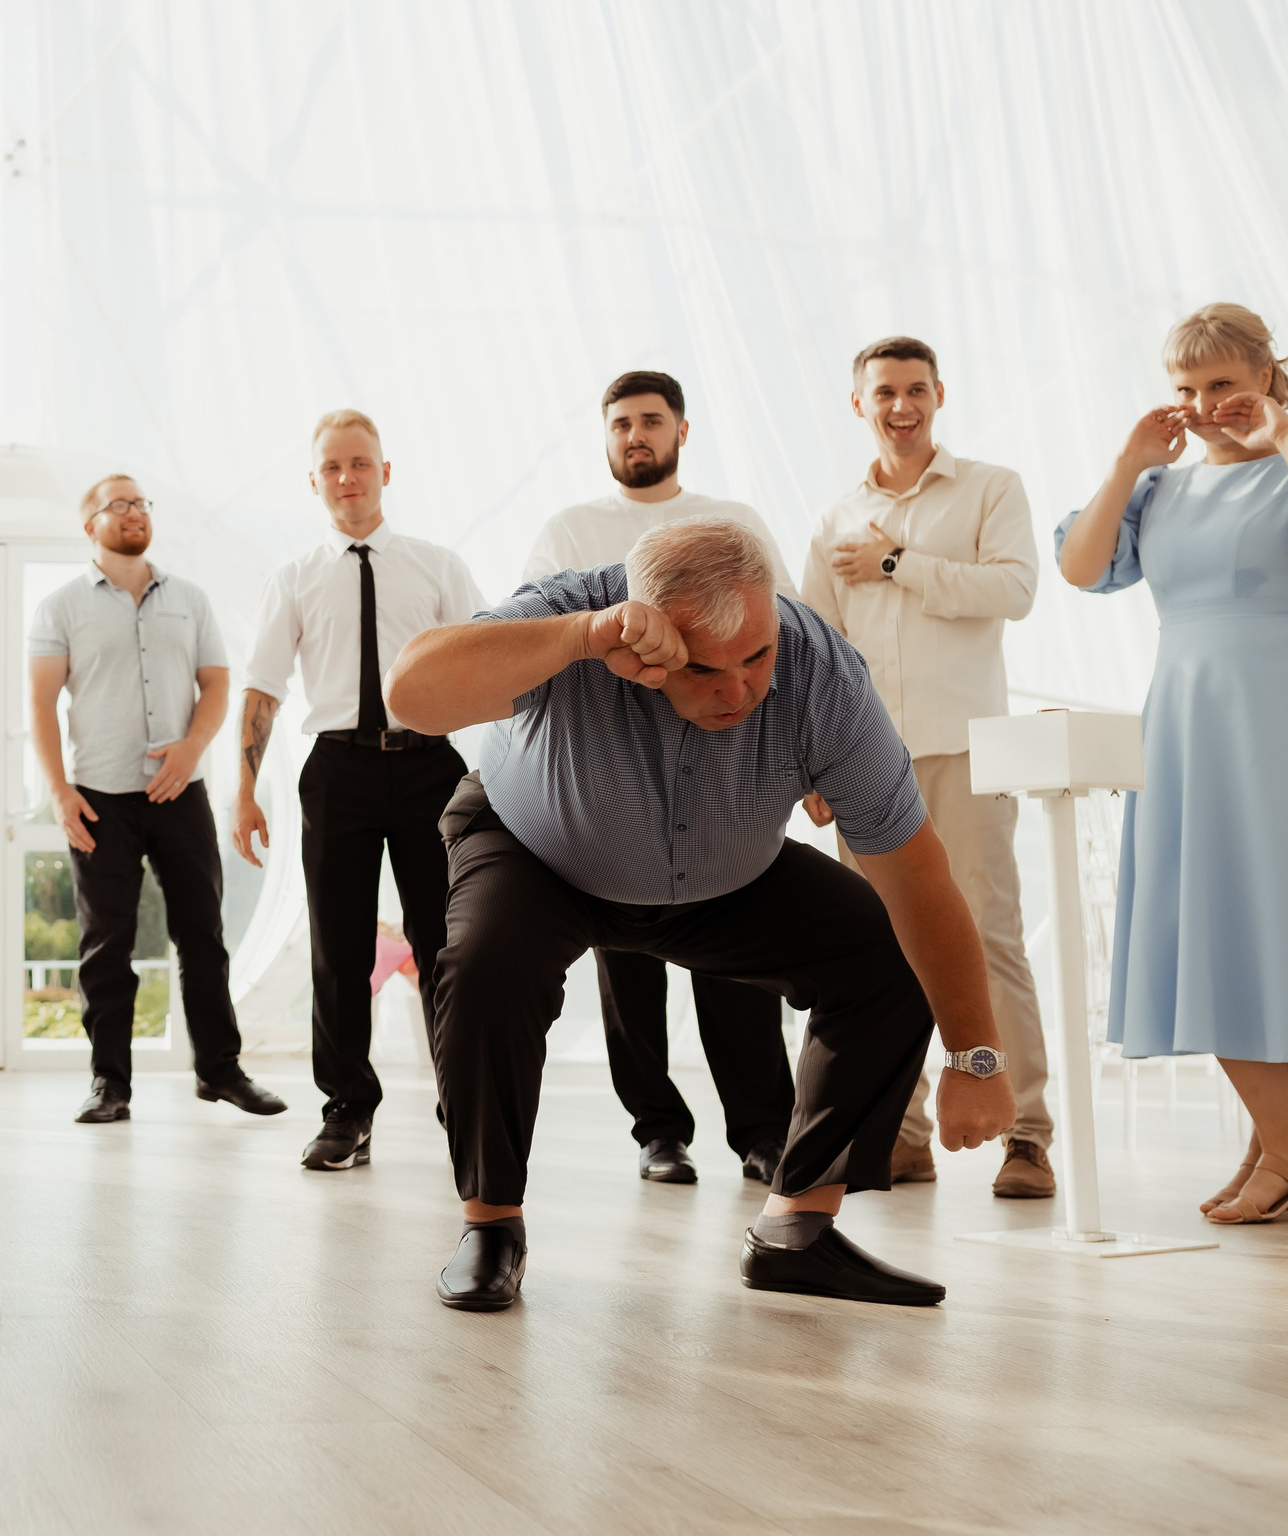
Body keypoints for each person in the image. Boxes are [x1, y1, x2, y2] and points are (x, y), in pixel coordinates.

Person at [386, 518, 1013, 1311]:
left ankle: (798, 1230)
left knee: (881, 953)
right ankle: (490, 1226)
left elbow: (918, 874)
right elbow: (411, 693)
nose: (739, 689)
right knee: (484, 965)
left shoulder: (824, 673)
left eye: (757, 656)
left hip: (722, 871)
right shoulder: (575, 614)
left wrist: (974, 1055)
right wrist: (583, 638)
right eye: (708, 668)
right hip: (539, 849)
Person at [523, 370, 794, 1188]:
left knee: (737, 950)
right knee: (625, 960)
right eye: (620, 424)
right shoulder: (571, 529)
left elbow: (787, 632)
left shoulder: (733, 523)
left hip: (722, 764)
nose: (634, 435)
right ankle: (658, 1131)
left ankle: (763, 1130)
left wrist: (804, 762)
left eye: (650, 420)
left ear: (681, 429)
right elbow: (535, 633)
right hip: (614, 769)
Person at [1056, 302, 1288, 1227]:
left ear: (1266, 374)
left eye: (1222, 384)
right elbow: (1079, 568)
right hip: (1190, 721)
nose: (1202, 405)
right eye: (1185, 389)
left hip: (1272, 715)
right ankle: (1275, 1140)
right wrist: (1128, 463)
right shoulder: (1161, 491)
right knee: (1213, 925)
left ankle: (1282, 1149)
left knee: (1269, 924)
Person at [804, 335, 1052, 1199]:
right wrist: (810, 759)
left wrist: (897, 565)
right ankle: (899, 1135)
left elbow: (1015, 590)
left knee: (986, 933)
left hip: (968, 750)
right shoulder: (835, 516)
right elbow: (814, 644)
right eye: (884, 392)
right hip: (865, 758)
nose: (900, 405)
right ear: (859, 403)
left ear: (939, 394)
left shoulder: (991, 488)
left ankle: (1027, 1133)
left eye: (916, 390)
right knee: (880, 946)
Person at [236, 409, 487, 1172]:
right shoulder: (296, 578)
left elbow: (482, 660)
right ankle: (347, 1108)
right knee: (338, 948)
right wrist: (243, 791)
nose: (348, 478)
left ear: (386, 471)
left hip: (427, 767)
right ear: (314, 481)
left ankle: (463, 1096)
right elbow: (263, 687)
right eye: (333, 467)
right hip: (337, 768)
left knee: (447, 941)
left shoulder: (437, 565)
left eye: (361, 463)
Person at [28, 473, 283, 1123]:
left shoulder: (191, 600)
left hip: (181, 792)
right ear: (91, 525)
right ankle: (109, 1084)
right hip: (98, 798)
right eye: (119, 504)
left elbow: (218, 686)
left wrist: (192, 748)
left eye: (141, 503)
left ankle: (219, 1072)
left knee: (203, 935)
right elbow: (41, 703)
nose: (135, 512)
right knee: (104, 944)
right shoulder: (60, 607)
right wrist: (59, 792)